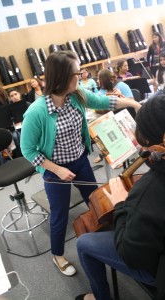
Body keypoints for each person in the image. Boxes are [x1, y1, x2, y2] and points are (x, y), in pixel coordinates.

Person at [20, 50, 140, 277]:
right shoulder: (36, 112)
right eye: (77, 72)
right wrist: (57, 169)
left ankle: (109, 240)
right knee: (60, 214)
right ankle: (58, 255)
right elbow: (27, 150)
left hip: (80, 161)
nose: (82, 75)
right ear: (63, 77)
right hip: (55, 171)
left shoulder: (76, 95)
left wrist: (134, 104)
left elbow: (103, 100)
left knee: (97, 203)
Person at [76, 94, 165, 300]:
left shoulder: (148, 192)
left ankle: (99, 297)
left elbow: (132, 256)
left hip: (157, 268)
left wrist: (121, 205)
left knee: (84, 244)